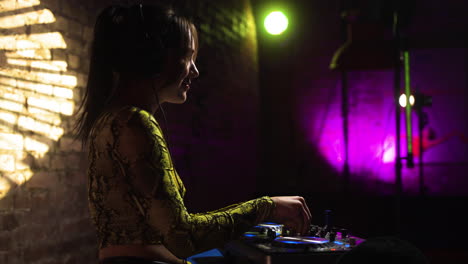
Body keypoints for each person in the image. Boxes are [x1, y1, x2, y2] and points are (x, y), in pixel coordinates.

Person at [74, 4, 312, 264]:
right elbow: (182, 236)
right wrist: (267, 207)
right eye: (187, 57)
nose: (195, 71)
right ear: (154, 55)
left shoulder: (109, 120)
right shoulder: (133, 123)